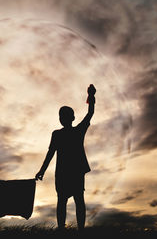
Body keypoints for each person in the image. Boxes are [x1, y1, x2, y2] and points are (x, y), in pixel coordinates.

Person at [35, 84, 96, 231]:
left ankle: (71, 229)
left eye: (64, 116)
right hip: (68, 172)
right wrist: (41, 170)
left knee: (73, 200)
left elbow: (90, 113)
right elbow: (50, 154)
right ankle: (66, 228)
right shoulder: (63, 133)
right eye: (61, 116)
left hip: (69, 171)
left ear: (71, 118)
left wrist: (91, 96)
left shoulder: (68, 132)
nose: (62, 118)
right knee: (68, 200)